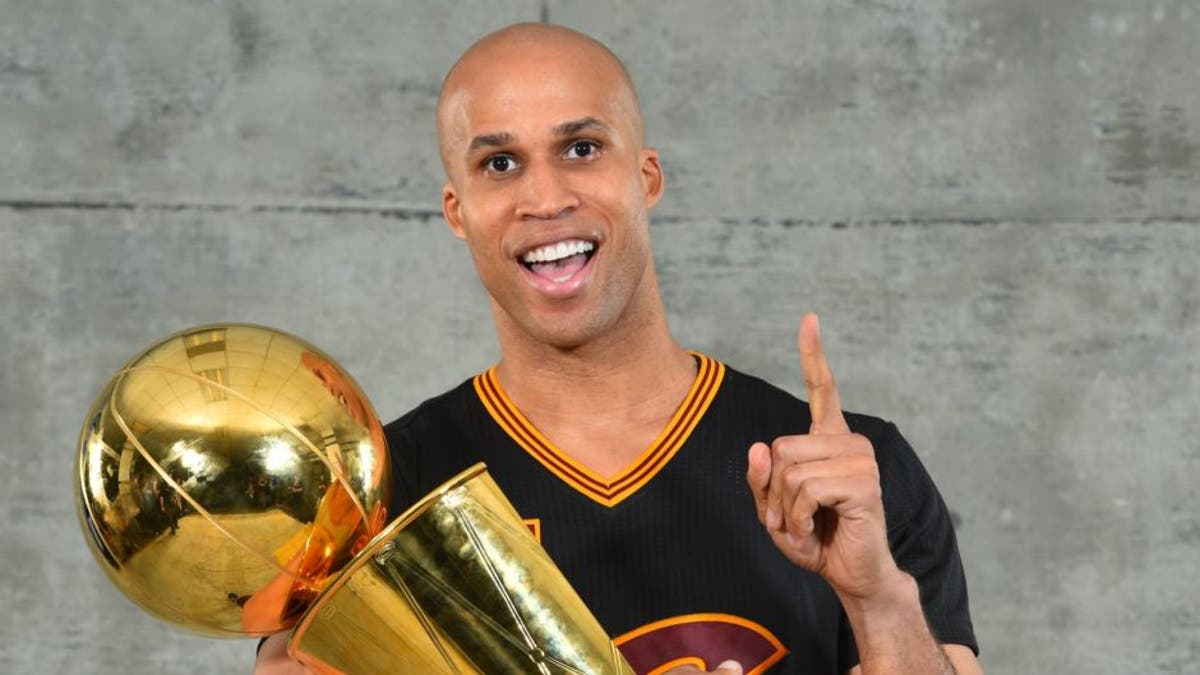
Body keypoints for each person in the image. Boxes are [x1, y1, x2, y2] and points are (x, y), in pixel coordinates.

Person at [257, 23, 981, 674]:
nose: (545, 197)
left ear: (647, 177)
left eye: (581, 148)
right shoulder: (373, 501)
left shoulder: (853, 472)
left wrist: (879, 599)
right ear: (458, 211)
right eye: (500, 164)